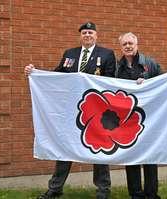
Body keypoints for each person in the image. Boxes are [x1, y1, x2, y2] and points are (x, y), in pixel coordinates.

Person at [25, 21, 116, 199]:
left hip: (96, 113)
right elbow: (57, 75)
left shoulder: (106, 54)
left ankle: (103, 190)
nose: (87, 35)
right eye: (84, 33)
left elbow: (111, 81)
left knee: (98, 150)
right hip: (70, 112)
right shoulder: (70, 54)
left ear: (96, 35)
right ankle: (55, 189)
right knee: (65, 149)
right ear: (80, 36)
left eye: (90, 32)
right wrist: (35, 73)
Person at [116, 32, 161, 199]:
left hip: (149, 118)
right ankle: (135, 194)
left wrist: (149, 83)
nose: (128, 46)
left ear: (137, 44)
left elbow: (163, 85)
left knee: (150, 156)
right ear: (121, 47)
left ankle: (151, 193)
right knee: (131, 156)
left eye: (130, 43)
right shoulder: (116, 67)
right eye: (124, 44)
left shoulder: (150, 63)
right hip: (127, 120)